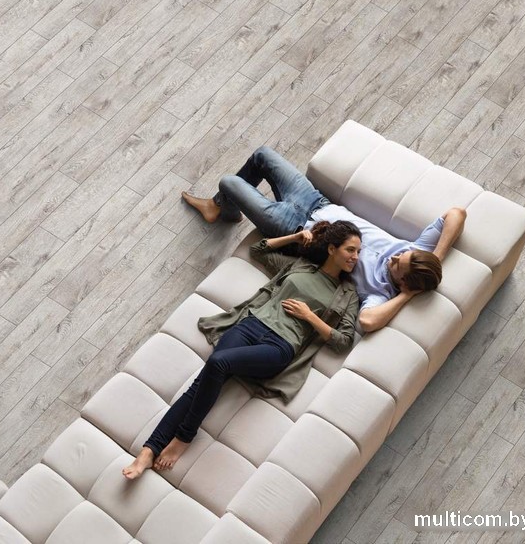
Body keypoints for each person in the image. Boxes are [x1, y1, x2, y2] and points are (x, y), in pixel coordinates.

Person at [122, 221, 362, 479]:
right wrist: (294, 238)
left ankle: (184, 437)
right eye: (350, 250)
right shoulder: (301, 265)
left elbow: (343, 340)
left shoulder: (348, 295)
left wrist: (310, 316)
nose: (355, 257)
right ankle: (148, 450)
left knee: (217, 363)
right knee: (201, 382)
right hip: (250, 325)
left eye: (358, 252)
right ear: (331, 249)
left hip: (280, 346)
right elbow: (258, 250)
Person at [182, 146, 467, 333]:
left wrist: (406, 296)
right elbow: (457, 214)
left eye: (396, 266)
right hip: (317, 202)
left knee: (229, 182)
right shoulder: (416, 252)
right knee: (262, 156)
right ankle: (221, 208)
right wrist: (437, 257)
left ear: (403, 283)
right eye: (401, 255)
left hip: (294, 229)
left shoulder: (379, 293)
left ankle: (220, 205)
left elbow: (367, 322)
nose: (394, 256)